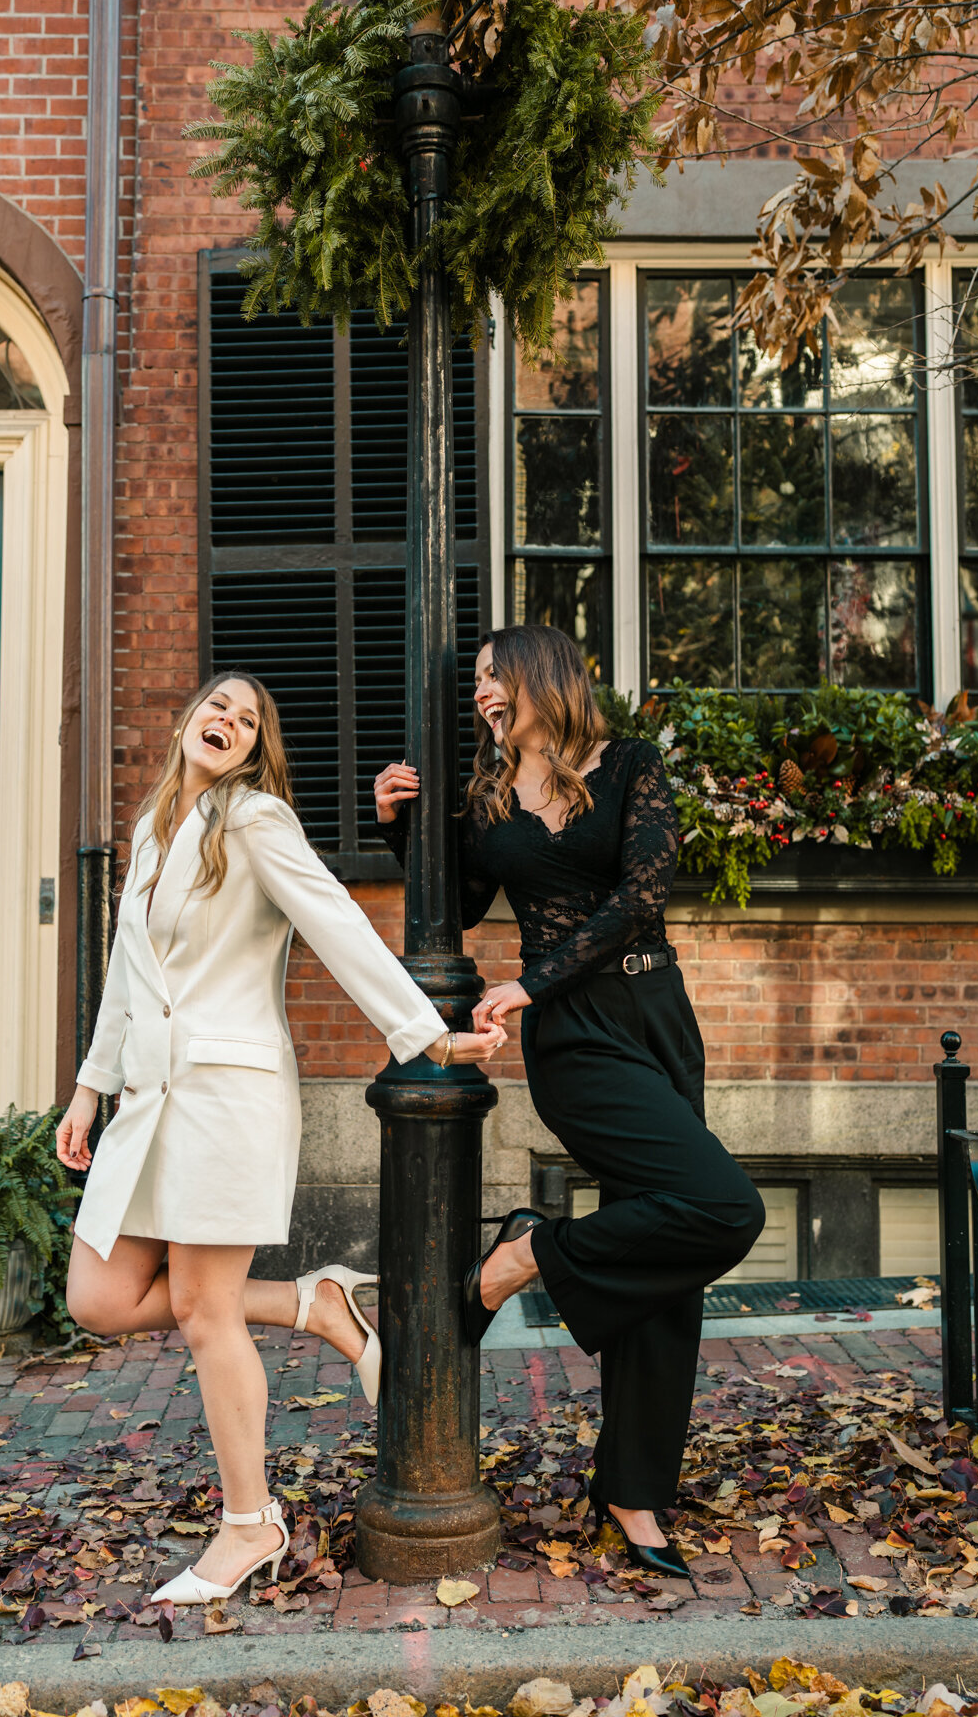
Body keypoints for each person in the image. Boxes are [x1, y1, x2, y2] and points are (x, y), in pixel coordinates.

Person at [57, 671, 506, 1608]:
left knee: (202, 1311)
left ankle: (250, 1525)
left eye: (248, 718)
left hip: (226, 1098)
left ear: (256, 751)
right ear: (188, 722)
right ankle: (316, 1306)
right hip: (148, 1100)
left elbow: (337, 923)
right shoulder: (149, 832)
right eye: (216, 706)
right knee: (97, 1297)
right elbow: (126, 975)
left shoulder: (255, 821)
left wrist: (426, 1033)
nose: (227, 721)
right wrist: (88, 1091)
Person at [375, 624, 764, 1577]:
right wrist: (401, 826)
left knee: (667, 1255)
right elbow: (462, 905)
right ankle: (526, 1255)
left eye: (491, 677)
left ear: (541, 676)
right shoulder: (486, 794)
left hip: (655, 1015)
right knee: (723, 1207)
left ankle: (633, 1493)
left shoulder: (628, 764)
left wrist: (533, 975)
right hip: (576, 1041)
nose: (480, 696)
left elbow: (642, 893)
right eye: (473, 684)